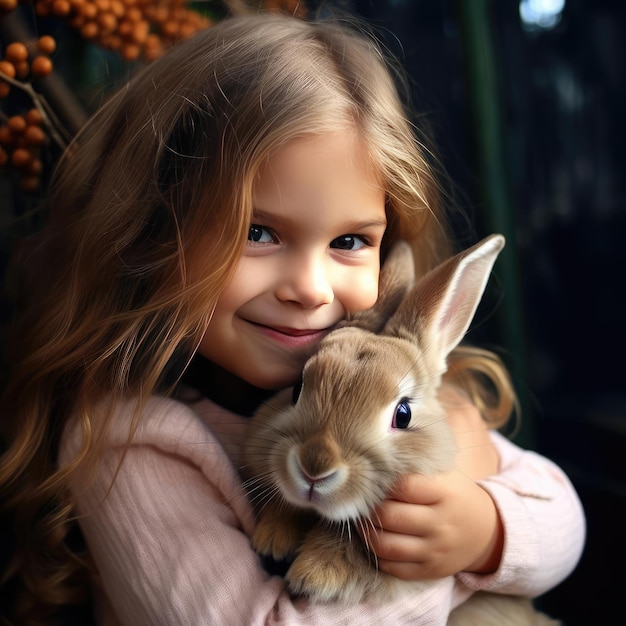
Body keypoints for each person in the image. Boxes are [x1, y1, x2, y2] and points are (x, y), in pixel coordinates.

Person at [0, 12, 585, 626]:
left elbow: (562, 519)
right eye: (258, 232)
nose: (309, 289)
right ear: (153, 234)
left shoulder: (397, 380)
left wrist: (486, 532)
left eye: (351, 241)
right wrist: (431, 569)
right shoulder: (129, 440)